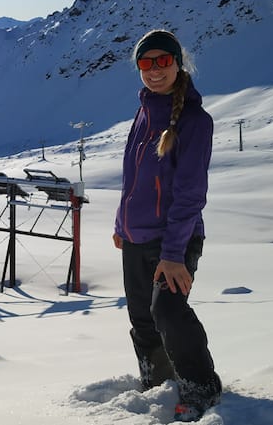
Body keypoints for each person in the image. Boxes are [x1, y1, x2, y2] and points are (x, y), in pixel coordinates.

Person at [112, 30, 222, 422]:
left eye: (163, 61)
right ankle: (159, 384)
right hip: (136, 236)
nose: (155, 71)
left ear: (178, 63)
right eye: (146, 63)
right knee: (142, 318)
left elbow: (190, 193)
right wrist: (121, 225)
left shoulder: (194, 121)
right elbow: (132, 177)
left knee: (169, 312)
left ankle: (200, 387)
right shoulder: (143, 113)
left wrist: (174, 255)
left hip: (176, 239)